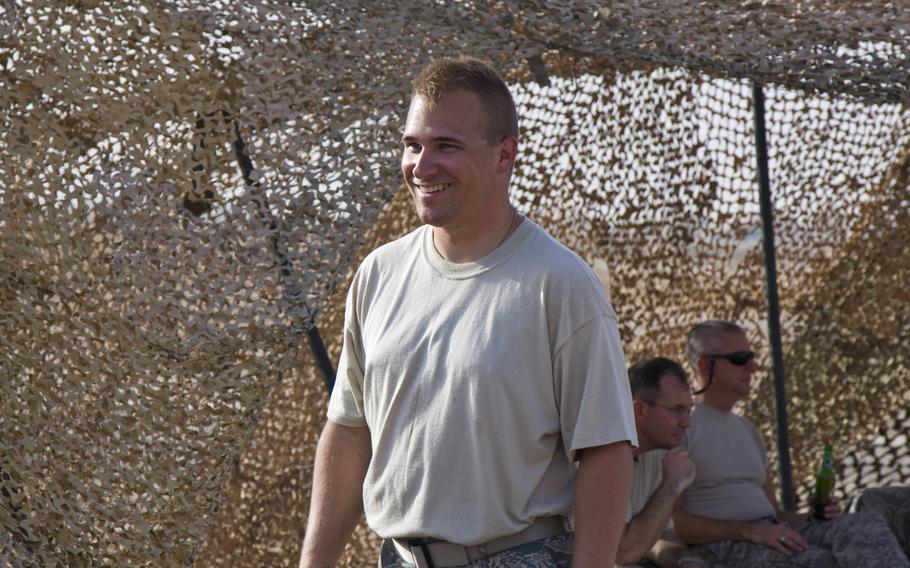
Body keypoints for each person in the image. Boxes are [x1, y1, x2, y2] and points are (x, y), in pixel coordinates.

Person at [299, 56, 637, 568]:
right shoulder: (378, 274)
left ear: (505, 156)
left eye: (446, 146)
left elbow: (606, 450)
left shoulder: (560, 284)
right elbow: (349, 431)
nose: (421, 166)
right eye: (413, 145)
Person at [673, 319, 909, 567]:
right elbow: (672, 521)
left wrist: (814, 518)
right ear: (704, 365)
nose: (753, 367)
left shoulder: (748, 430)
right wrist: (749, 532)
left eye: (752, 357)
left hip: (773, 532)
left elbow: (776, 514)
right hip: (724, 546)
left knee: (863, 524)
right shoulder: (681, 426)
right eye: (740, 358)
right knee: (821, 561)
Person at [619, 357, 705, 568]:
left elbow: (662, 537)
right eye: (677, 410)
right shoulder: (604, 455)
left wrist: (685, 561)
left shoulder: (658, 456)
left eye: (688, 410)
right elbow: (623, 553)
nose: (687, 422)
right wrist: (671, 486)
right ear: (640, 410)